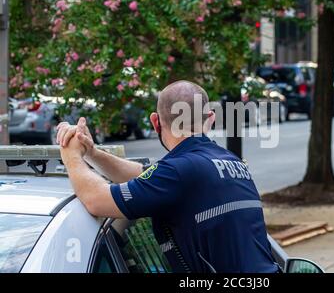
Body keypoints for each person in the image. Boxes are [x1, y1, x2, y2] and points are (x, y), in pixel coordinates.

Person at [57, 80, 279, 273]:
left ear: (155, 121)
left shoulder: (179, 172)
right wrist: (93, 153)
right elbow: (145, 177)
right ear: (210, 118)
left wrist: (71, 155)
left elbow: (95, 200)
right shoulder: (228, 162)